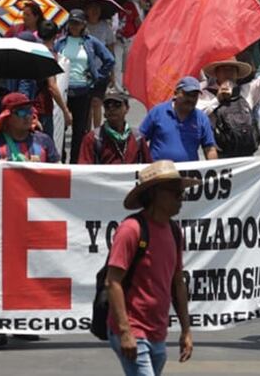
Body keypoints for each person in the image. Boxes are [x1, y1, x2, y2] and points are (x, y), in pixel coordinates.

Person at [106, 160, 196, 375]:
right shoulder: (131, 230)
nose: (180, 198)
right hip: (132, 330)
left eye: (181, 192)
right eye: (175, 192)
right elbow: (113, 281)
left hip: (157, 333)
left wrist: (186, 330)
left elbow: (177, 283)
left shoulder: (174, 232)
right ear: (155, 194)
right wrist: (125, 331)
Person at [198, 36, 260, 158]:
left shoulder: (247, 90)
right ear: (216, 73)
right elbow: (198, 116)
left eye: (231, 70)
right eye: (224, 69)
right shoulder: (207, 95)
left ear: (237, 74)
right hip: (222, 156)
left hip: (247, 156)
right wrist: (217, 100)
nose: (228, 73)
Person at [55, 9, 115, 163]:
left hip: (83, 90)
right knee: (61, 128)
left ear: (83, 25)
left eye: (78, 24)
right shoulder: (60, 43)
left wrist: (98, 76)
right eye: (72, 23)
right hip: (63, 91)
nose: (74, 27)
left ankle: (76, 161)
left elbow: (109, 59)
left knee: (79, 130)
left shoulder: (91, 42)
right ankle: (60, 158)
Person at [139, 77, 218, 162]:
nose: (190, 99)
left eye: (194, 96)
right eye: (187, 94)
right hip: (159, 172)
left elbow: (210, 149)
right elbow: (140, 140)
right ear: (176, 93)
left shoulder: (202, 118)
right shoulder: (158, 112)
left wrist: (216, 171)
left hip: (189, 173)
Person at [0, 92, 59, 162]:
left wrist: (40, 167)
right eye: (21, 112)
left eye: (29, 111)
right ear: (7, 117)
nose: (27, 116)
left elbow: (59, 170)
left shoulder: (44, 141)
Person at [78, 89, 151, 164]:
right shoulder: (92, 139)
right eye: (107, 105)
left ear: (127, 108)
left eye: (117, 105)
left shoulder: (137, 138)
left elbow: (148, 167)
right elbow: (84, 170)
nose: (112, 109)